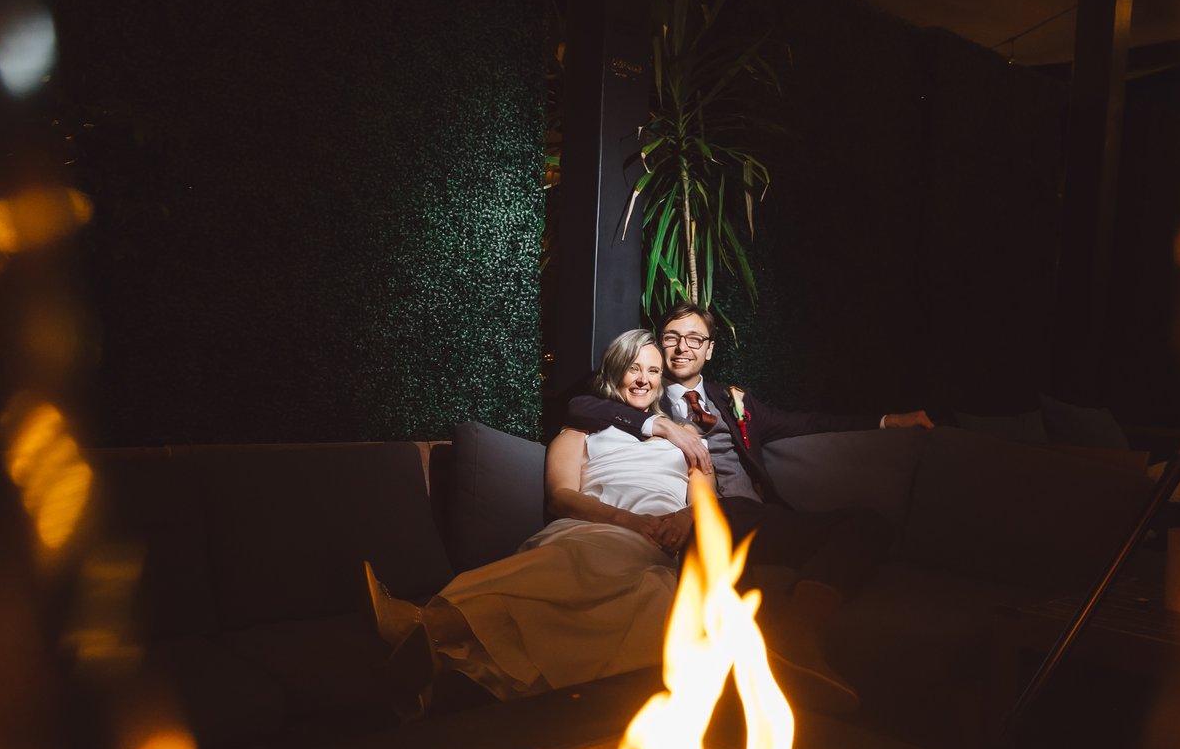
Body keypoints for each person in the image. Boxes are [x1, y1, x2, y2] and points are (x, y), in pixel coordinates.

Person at [563, 300, 932, 685]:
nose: (682, 348)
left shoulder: (735, 399)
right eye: (671, 338)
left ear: (710, 349)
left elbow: (806, 421)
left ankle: (798, 629)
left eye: (694, 339)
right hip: (690, 516)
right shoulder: (644, 393)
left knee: (867, 523)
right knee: (723, 560)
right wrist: (661, 425)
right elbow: (581, 405)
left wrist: (888, 420)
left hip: (752, 515)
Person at [367, 329, 699, 705]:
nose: (644, 379)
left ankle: (431, 642)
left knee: (649, 588)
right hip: (596, 527)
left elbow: (706, 500)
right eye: (633, 368)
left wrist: (687, 519)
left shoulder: (685, 437)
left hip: (661, 539)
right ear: (614, 372)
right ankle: (432, 642)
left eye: (654, 371)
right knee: (583, 559)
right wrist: (630, 522)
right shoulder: (581, 431)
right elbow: (561, 496)